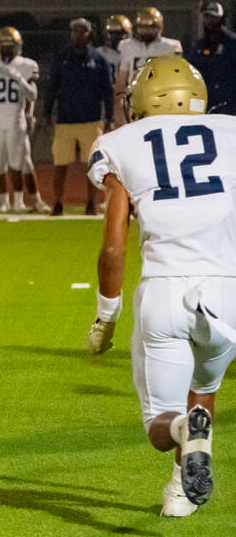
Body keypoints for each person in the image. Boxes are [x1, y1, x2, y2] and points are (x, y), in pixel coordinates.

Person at [86, 55, 234, 517]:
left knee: (161, 421)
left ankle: (181, 434)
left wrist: (105, 317)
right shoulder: (231, 131)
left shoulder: (119, 142)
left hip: (165, 290)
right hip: (227, 292)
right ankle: (181, 490)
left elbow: (114, 244)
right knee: (203, 388)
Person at [44, 18, 113, 216]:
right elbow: (52, 87)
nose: (78, 35)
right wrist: (46, 113)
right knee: (60, 164)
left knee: (92, 164)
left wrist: (109, 117)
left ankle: (91, 202)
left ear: (89, 34)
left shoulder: (98, 60)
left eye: (82, 31)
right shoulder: (61, 58)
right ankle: (57, 202)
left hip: (91, 118)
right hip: (65, 119)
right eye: (75, 31)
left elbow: (107, 91)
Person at [0, 27, 41, 214]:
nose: (8, 50)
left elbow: (32, 95)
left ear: (18, 46)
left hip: (16, 119)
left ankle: (19, 202)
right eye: (4, 46)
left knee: (16, 163)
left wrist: (19, 78)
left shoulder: (26, 65)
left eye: (10, 46)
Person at [115, 6, 183, 124]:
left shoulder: (170, 47)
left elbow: (177, 79)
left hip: (160, 100)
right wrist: (119, 107)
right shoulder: (127, 46)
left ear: (159, 27)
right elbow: (122, 80)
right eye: (142, 27)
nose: (145, 31)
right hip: (134, 100)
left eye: (150, 28)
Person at [187, 1, 236, 115]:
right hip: (204, 96)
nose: (210, 21)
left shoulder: (231, 41)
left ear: (221, 18)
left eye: (214, 17)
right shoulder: (201, 43)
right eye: (207, 16)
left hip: (227, 99)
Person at [98, 14, 131, 90]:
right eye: (112, 33)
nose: (115, 37)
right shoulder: (99, 54)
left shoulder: (133, 52)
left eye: (119, 33)